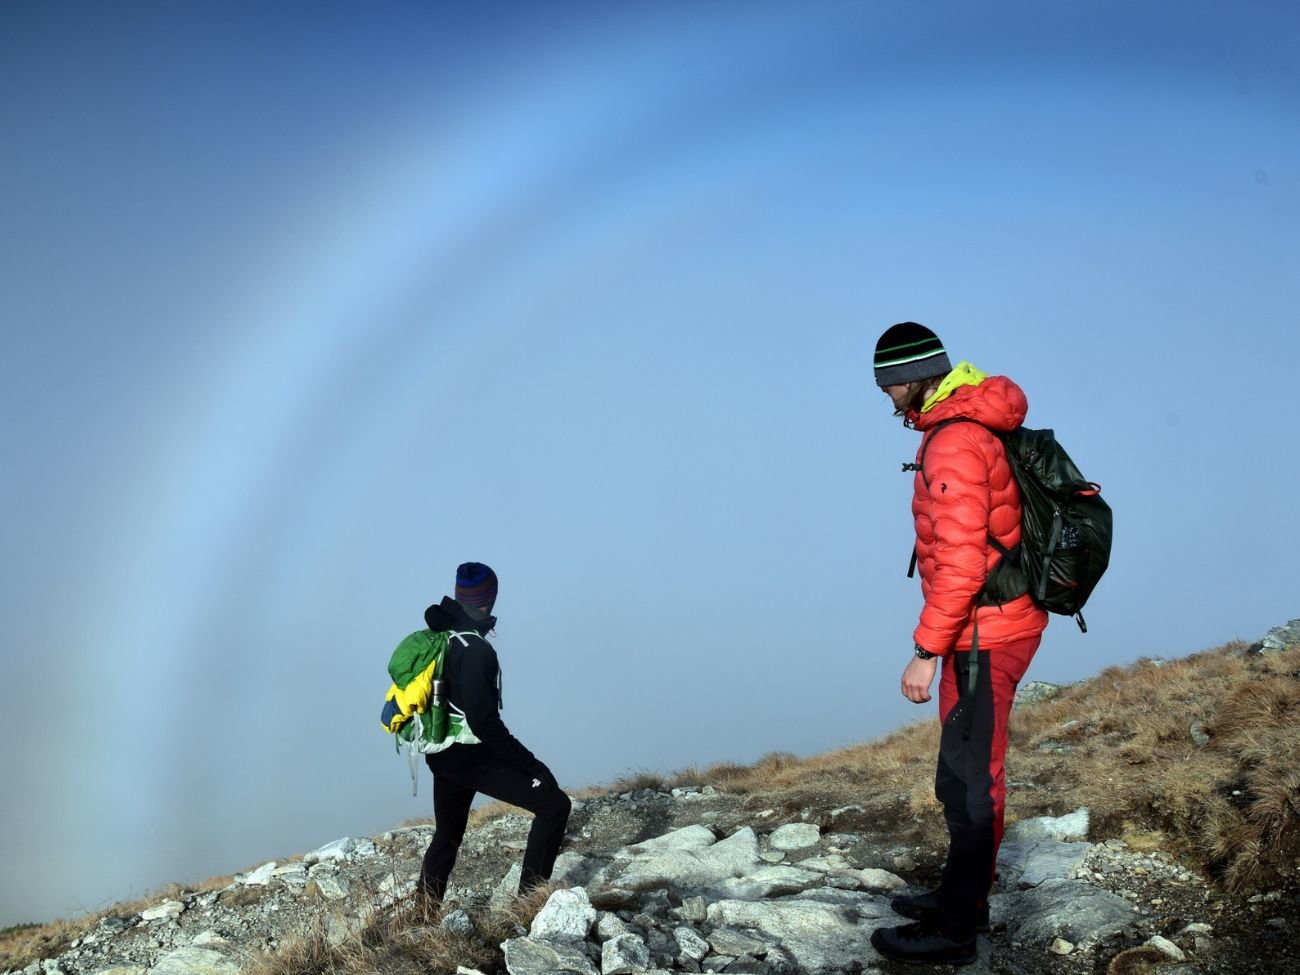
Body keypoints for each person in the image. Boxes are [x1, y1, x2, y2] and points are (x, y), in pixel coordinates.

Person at [868, 322, 1049, 966]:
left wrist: (924, 651)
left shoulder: (953, 444)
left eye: (886, 384)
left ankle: (957, 930)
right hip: (986, 627)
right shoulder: (965, 427)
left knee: (973, 783)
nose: (885, 398)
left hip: (984, 634)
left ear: (910, 380)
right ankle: (959, 897)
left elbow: (965, 561)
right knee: (959, 774)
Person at [416, 562, 571, 907]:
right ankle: (528, 905)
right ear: (491, 598)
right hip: (468, 756)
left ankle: (422, 915)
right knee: (554, 804)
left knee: (448, 833)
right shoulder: (476, 651)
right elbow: (485, 724)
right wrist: (534, 767)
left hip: (440, 750)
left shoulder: (442, 635)